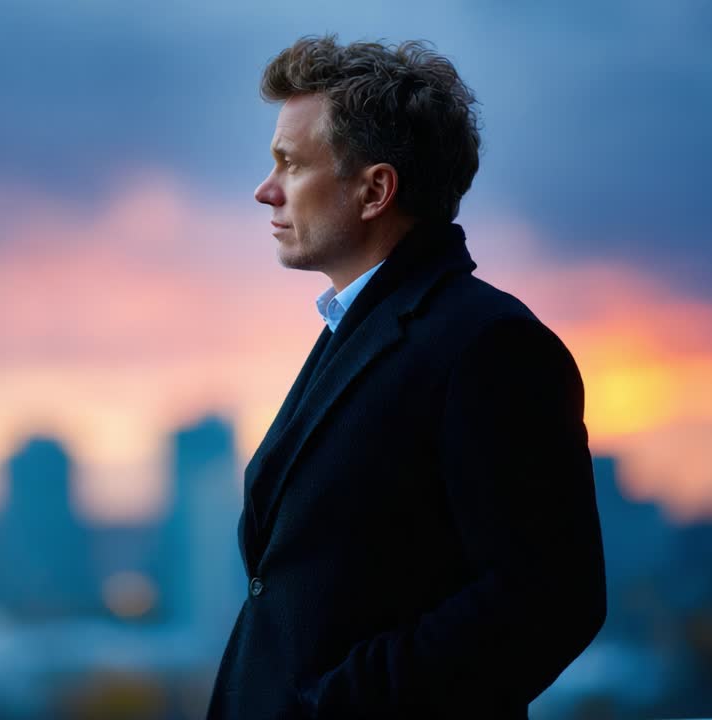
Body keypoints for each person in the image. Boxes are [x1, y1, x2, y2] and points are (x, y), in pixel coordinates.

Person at [206, 36, 607, 719]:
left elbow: (550, 599)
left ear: (375, 190)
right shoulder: (360, 330)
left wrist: (341, 705)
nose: (264, 190)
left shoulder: (490, 345)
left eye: (290, 164)